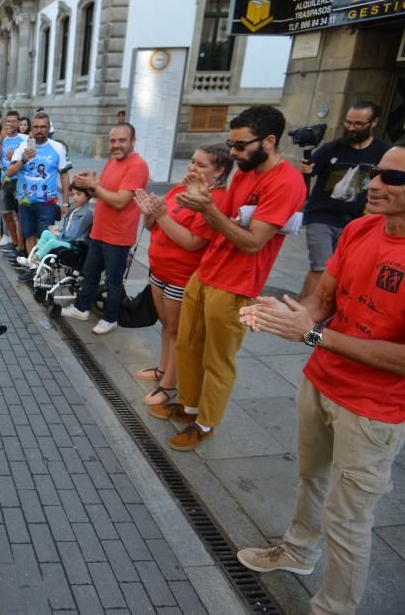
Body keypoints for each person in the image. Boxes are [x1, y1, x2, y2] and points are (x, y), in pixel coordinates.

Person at [235, 144, 405, 615]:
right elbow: (326, 297)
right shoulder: (359, 227)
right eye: (375, 173)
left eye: (394, 179)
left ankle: (333, 608)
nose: (373, 184)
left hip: (373, 411)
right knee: (310, 479)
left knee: (348, 518)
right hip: (322, 382)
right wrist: (290, 315)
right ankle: (297, 552)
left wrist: (313, 335)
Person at [148, 106, 306, 450]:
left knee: (217, 359)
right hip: (206, 272)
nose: (233, 154)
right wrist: (201, 202)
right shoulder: (246, 172)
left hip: (236, 283)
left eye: (239, 146)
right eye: (230, 145)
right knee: (188, 345)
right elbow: (227, 217)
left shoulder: (285, 181)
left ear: (269, 140)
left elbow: (252, 242)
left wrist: (206, 208)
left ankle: (206, 424)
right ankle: (190, 408)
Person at [130, 144, 233, 405]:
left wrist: (161, 216)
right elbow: (155, 227)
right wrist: (150, 216)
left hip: (182, 275)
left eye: (201, 165)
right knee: (167, 326)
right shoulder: (180, 189)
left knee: (178, 331)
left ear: (219, 171)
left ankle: (169, 385)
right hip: (160, 269)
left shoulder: (216, 199)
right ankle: (163, 369)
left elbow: (192, 242)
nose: (192, 168)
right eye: (192, 162)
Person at [298, 101, 389, 299]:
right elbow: (309, 172)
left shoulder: (382, 152)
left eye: (358, 124)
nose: (351, 128)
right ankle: (301, 311)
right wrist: (306, 169)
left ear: (373, 123)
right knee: (320, 268)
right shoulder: (332, 148)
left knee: (339, 273)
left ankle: (317, 315)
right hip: (321, 217)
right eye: (348, 123)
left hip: (356, 222)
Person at [64, 123, 150, 335]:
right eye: (113, 141)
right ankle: (81, 308)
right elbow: (99, 191)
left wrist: (95, 186)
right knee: (90, 273)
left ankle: (110, 318)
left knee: (113, 281)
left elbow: (121, 201)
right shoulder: (113, 161)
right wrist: (88, 183)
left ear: (133, 142)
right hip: (100, 231)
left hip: (118, 236)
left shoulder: (137, 166)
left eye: (122, 140)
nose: (116, 145)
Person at [4, 112, 70, 267]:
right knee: (29, 236)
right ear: (31, 128)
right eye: (36, 127)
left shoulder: (58, 148)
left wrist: (66, 203)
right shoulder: (23, 146)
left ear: (48, 128)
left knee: (45, 238)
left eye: (43, 127)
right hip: (25, 201)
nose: (39, 130)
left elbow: (65, 176)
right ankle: (34, 269)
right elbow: (9, 172)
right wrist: (24, 159)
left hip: (47, 202)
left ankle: (44, 272)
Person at [0, 110, 27, 251]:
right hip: (5, 180)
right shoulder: (2, 139)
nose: (10, 124)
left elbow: (28, 161)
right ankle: (14, 242)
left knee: (19, 215)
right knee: (5, 213)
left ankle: (20, 247)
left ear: (18, 122)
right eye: (8, 121)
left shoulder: (24, 139)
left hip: (18, 181)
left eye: (13, 121)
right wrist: (0, 140)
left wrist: (12, 159)